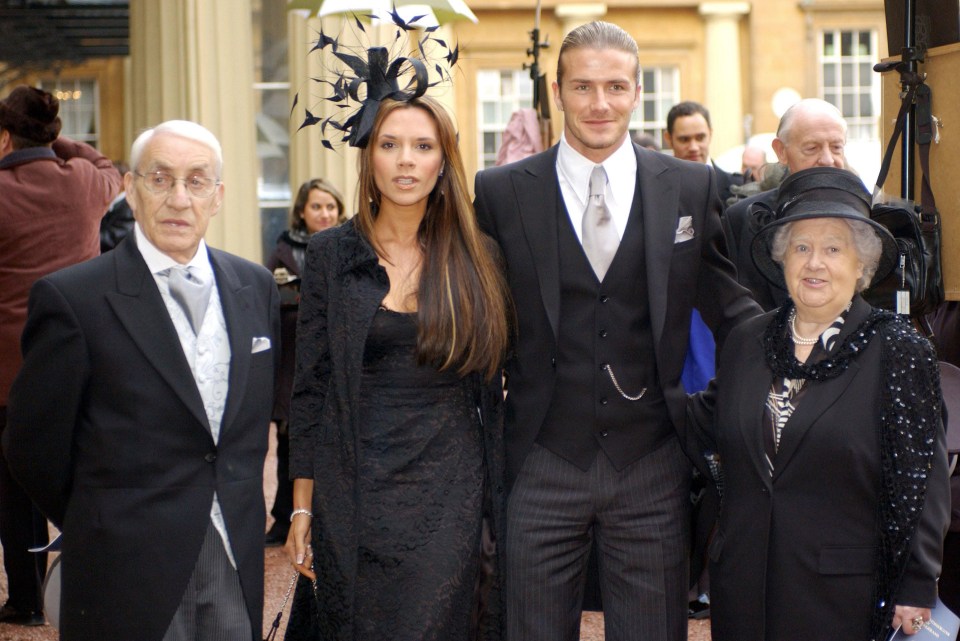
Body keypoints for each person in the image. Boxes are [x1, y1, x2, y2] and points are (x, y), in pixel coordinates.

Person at [472, 21, 759, 641]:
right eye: (582, 86)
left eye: (615, 86)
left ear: (636, 92)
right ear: (557, 91)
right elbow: (478, 318)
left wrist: (808, 346)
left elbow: (729, 308)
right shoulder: (499, 192)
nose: (599, 103)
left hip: (652, 462)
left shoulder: (690, 185)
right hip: (541, 459)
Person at [4, 119, 280, 641]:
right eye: (160, 178)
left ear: (217, 197)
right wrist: (101, 515)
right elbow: (32, 445)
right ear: (129, 188)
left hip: (234, 557)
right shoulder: (72, 299)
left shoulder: (255, 287)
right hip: (122, 564)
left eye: (196, 181)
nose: (179, 198)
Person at [283, 94, 511, 640]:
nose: (406, 160)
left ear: (443, 160)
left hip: (451, 488)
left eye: (422, 146)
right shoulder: (331, 255)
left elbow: (497, 382)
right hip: (353, 481)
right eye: (390, 145)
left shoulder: (479, 257)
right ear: (369, 158)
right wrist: (300, 512)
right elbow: (310, 390)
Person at [694, 166, 950, 641]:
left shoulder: (898, 348)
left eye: (834, 249)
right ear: (781, 259)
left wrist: (917, 581)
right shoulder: (748, 341)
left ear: (862, 265)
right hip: (743, 590)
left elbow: (925, 477)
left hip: (841, 597)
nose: (815, 263)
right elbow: (711, 431)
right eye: (801, 248)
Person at [0, 85, 121, 627]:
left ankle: (26, 598)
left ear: (4, 135)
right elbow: (108, 164)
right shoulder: (85, 185)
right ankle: (93, 584)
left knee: (14, 487)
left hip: (7, 368)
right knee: (84, 474)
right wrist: (54, 141)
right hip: (82, 362)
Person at [263, 178, 345, 547]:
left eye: (330, 206)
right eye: (316, 206)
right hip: (293, 365)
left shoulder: (352, 247)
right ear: (301, 211)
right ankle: (284, 519)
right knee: (291, 445)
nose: (324, 213)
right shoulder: (283, 252)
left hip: (339, 364)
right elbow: (275, 301)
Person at [723, 98, 847, 311]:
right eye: (812, 148)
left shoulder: (865, 218)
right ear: (781, 151)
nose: (827, 160)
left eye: (836, 147)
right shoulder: (743, 218)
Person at [664, 100, 743, 204]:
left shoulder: (738, 188)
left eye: (700, 138)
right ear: (669, 139)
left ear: (710, 134)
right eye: (684, 139)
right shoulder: (654, 189)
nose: (693, 147)